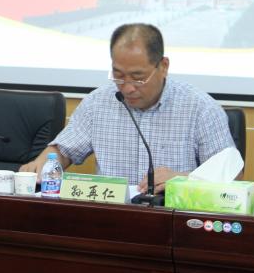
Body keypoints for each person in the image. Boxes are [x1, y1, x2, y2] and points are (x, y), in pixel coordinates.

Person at [21, 23, 235, 192]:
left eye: (138, 77)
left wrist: (182, 179)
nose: (128, 88)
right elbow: (63, 150)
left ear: (163, 66)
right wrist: (42, 164)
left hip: (173, 219)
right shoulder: (98, 103)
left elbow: (231, 177)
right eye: (118, 75)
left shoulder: (201, 109)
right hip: (110, 217)